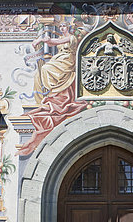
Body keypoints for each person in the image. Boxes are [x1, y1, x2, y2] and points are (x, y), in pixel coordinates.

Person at [18, 22, 87, 156]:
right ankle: (53, 92)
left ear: (69, 28)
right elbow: (51, 43)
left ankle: (55, 93)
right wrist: (41, 40)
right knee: (44, 69)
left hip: (68, 60)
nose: (62, 28)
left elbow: (55, 41)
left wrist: (45, 39)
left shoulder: (72, 38)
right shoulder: (61, 39)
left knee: (47, 68)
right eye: (60, 27)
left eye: (64, 27)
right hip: (60, 58)